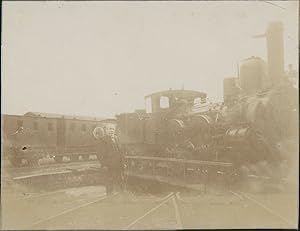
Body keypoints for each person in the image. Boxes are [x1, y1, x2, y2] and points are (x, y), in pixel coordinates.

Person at [96, 123, 124, 196]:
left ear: (115, 130)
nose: (111, 130)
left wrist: (123, 163)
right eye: (109, 129)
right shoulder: (102, 140)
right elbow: (100, 155)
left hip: (118, 166)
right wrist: (105, 165)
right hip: (109, 167)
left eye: (113, 129)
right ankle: (110, 199)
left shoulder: (116, 139)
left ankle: (120, 198)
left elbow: (121, 152)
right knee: (109, 184)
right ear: (106, 130)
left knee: (120, 182)